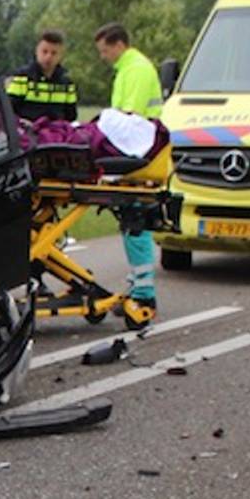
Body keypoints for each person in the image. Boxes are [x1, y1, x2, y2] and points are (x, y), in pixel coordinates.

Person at [94, 21, 163, 315]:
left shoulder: (134, 69)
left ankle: (144, 292)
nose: (103, 56)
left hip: (138, 153)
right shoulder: (131, 68)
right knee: (132, 220)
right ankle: (138, 285)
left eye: (104, 50)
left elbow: (129, 118)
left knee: (135, 220)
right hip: (139, 151)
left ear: (118, 44)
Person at [6, 30, 78, 121]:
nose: (48, 57)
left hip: (56, 132)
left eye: (54, 53)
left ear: (61, 56)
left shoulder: (67, 84)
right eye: (44, 52)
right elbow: (9, 110)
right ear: (37, 51)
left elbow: (71, 116)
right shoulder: (22, 78)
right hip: (28, 131)